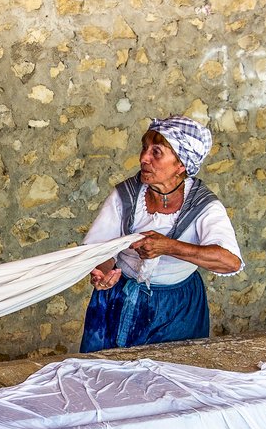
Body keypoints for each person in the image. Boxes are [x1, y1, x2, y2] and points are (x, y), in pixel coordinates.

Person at [80, 115, 242, 352]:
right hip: (117, 299)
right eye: (145, 148)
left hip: (176, 307)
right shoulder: (125, 196)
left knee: (172, 375)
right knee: (103, 375)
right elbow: (100, 247)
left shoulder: (203, 206)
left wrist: (169, 246)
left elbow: (230, 262)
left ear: (181, 164)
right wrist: (103, 273)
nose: (144, 158)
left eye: (157, 152)